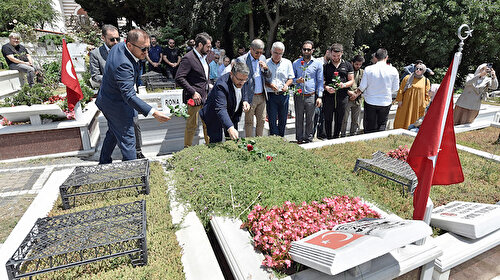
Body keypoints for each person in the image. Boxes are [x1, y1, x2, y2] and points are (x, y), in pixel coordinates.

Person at [96, 29, 171, 164]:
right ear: (129, 45)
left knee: (113, 132)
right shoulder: (123, 64)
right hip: (116, 105)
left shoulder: (119, 46)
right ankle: (133, 172)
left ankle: (104, 162)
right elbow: (129, 96)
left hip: (107, 99)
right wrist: (154, 112)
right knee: (128, 139)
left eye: (148, 48)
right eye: (143, 49)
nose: (146, 53)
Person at [175, 32, 212, 147]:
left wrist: (209, 85)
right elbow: (179, 77)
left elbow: (203, 77)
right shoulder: (188, 58)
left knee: (208, 124)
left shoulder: (204, 58)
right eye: (208, 46)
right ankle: (187, 150)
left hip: (205, 97)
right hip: (194, 98)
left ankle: (211, 147)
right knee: (192, 126)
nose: (210, 49)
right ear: (200, 45)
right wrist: (193, 92)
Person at [200, 62, 251, 143]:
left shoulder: (242, 79)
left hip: (232, 114)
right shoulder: (221, 85)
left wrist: (245, 100)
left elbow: (244, 88)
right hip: (214, 116)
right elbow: (221, 109)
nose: (242, 82)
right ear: (231, 74)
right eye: (240, 80)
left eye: (245, 80)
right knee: (216, 144)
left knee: (232, 142)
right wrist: (230, 128)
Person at [356, 48, 399, 134]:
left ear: (375, 57)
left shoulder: (368, 69)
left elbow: (363, 86)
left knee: (369, 126)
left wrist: (356, 93)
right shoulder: (393, 70)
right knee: (382, 125)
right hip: (385, 102)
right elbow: (395, 88)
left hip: (370, 101)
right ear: (386, 57)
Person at [237, 39, 271, 137]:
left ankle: (259, 142)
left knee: (262, 121)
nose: (259, 54)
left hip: (262, 96)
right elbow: (241, 82)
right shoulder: (242, 60)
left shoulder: (263, 58)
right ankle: (249, 145)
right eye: (257, 52)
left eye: (261, 52)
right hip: (250, 97)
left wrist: (266, 69)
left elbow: (268, 76)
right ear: (251, 49)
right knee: (249, 123)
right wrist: (245, 99)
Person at [292, 40, 324, 143]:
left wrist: (319, 96)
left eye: (308, 49)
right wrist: (297, 80)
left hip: (311, 95)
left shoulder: (318, 64)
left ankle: (309, 138)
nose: (306, 51)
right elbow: (290, 79)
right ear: (302, 50)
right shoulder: (296, 63)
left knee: (310, 119)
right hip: (299, 94)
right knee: (299, 118)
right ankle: (299, 138)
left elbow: (320, 81)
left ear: (312, 50)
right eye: (304, 49)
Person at [322, 43, 354, 139]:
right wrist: (327, 88)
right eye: (334, 55)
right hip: (329, 97)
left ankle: (336, 137)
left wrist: (343, 85)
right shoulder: (326, 66)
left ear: (342, 53)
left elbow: (351, 80)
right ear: (330, 53)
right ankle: (328, 138)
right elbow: (322, 82)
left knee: (339, 119)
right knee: (328, 119)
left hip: (342, 96)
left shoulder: (347, 65)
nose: (335, 58)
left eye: (338, 55)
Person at [265, 42, 294, 137]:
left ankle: (281, 138)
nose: (277, 56)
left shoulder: (287, 63)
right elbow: (262, 81)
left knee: (283, 119)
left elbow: (291, 78)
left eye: (280, 53)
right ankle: (274, 139)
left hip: (283, 94)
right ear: (271, 51)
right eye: (275, 53)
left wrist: (286, 85)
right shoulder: (266, 63)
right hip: (271, 95)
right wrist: (270, 85)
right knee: (272, 120)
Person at [393, 63, 431, 129]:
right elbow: (401, 89)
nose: (418, 70)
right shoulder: (407, 78)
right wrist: (399, 100)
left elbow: (427, 94)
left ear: (423, 71)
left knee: (415, 119)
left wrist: (425, 104)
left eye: (420, 69)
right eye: (417, 68)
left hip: (418, 105)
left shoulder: (426, 81)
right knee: (402, 117)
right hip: (406, 103)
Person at [341, 55, 365, 137]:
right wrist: (349, 92)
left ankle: (353, 135)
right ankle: (343, 135)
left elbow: (364, 85)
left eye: (360, 64)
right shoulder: (347, 71)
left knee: (355, 120)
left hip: (358, 98)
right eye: (356, 64)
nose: (358, 66)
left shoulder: (362, 72)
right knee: (344, 118)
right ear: (352, 63)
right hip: (347, 98)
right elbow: (342, 84)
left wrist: (356, 94)